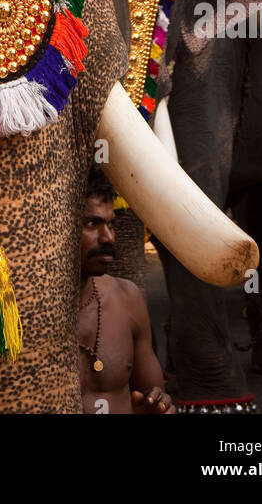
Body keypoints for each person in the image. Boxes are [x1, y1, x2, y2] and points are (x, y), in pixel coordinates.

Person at [78, 167, 174, 413]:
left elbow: (156, 397)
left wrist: (159, 407)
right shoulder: (27, 312)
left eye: (111, 224)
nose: (108, 237)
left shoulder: (127, 298)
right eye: (92, 224)